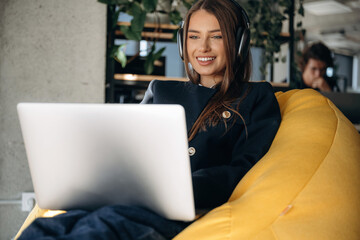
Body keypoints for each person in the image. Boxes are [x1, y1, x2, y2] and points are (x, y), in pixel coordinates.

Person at [18, 0, 281, 239]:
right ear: (182, 43)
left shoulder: (257, 97)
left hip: (182, 210)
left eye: (217, 37)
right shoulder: (162, 90)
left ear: (239, 42)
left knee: (101, 228)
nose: (203, 47)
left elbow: (246, 168)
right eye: (193, 37)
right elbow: (127, 149)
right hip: (128, 198)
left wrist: (182, 187)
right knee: (43, 229)